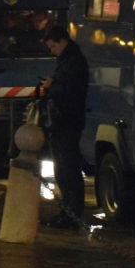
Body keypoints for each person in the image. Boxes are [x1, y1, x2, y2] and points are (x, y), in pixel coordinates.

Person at [40, 24, 90, 231]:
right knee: (62, 169)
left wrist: (52, 86)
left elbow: (71, 90)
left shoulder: (73, 61)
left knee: (68, 168)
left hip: (67, 120)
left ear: (62, 42)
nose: (52, 51)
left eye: (53, 47)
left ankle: (72, 213)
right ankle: (67, 211)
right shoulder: (69, 59)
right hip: (63, 121)